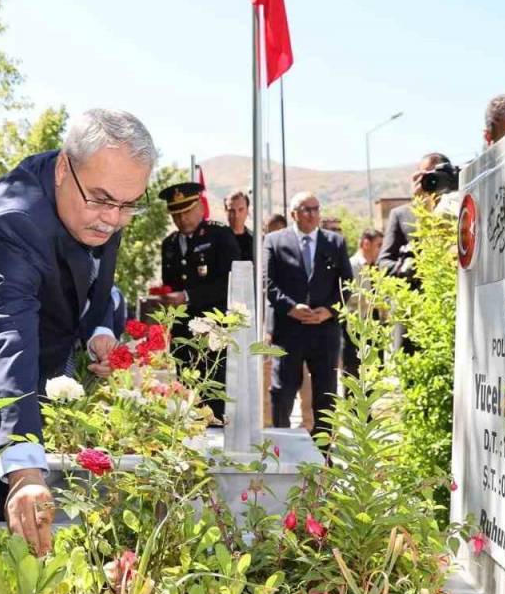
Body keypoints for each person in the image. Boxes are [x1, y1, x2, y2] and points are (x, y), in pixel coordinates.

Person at [0, 108, 155, 554]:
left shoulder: (102, 193)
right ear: (65, 168)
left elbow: (91, 276)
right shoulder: (11, 219)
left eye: (129, 205)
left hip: (36, 362)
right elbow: (8, 337)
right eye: (103, 201)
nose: (113, 220)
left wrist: (100, 327)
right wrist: (25, 469)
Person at [264, 191, 353, 431]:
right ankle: (279, 449)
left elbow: (347, 285)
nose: (312, 214)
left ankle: (323, 457)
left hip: (323, 332)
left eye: (316, 209)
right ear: (294, 214)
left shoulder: (335, 242)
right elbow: (267, 283)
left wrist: (330, 311)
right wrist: (290, 308)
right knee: (282, 393)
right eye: (306, 209)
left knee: (326, 396)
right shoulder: (274, 241)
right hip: (288, 332)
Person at [158, 181, 242, 424]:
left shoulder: (219, 235)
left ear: (200, 208)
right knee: (187, 395)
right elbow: (171, 285)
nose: (181, 219)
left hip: (213, 331)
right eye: (176, 214)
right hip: (183, 333)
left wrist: (188, 296)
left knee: (213, 394)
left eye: (186, 211)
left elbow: (230, 282)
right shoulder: (170, 244)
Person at [378, 152, 456, 282]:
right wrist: (408, 268)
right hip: (420, 297)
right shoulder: (401, 215)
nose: (433, 180)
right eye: (427, 175)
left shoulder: (460, 209)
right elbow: (383, 262)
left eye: (438, 175)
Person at [342, 228, 383, 378]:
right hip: (355, 325)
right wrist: (373, 301)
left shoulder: (375, 266)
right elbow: (349, 293)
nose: (381, 249)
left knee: (372, 369)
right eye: (378, 245)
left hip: (372, 323)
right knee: (354, 370)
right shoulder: (352, 265)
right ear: (366, 243)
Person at [224, 190, 255, 262]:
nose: (236, 215)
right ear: (226, 211)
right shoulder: (218, 240)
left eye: (240, 210)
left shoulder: (256, 242)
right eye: (232, 210)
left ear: (247, 211)